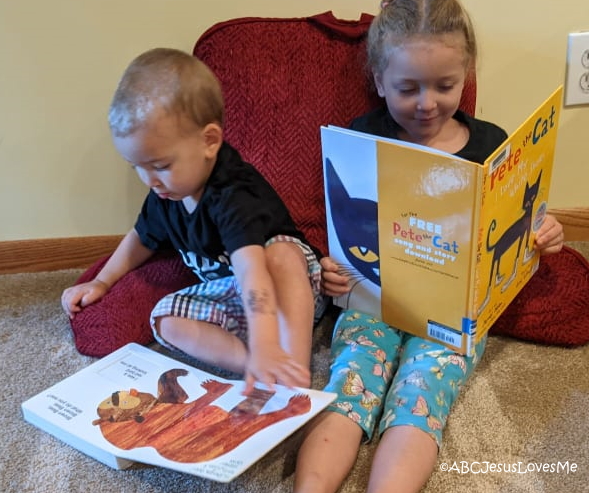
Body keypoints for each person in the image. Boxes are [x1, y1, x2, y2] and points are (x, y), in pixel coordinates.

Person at [294, 1, 564, 492]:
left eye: (445, 86)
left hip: (450, 314)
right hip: (373, 298)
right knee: (351, 384)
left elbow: (523, 224)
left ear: (467, 75)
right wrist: (330, 269)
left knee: (422, 393)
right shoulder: (361, 137)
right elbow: (344, 230)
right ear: (379, 80)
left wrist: (545, 234)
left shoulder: (491, 145)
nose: (427, 104)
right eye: (407, 88)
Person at [61, 48, 324, 394]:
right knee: (165, 319)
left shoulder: (232, 193)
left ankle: (292, 366)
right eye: (136, 167)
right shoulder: (165, 193)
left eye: (161, 165)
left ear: (209, 141)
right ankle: (256, 366)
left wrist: (266, 340)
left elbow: (251, 271)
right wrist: (103, 281)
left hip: (288, 291)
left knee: (281, 256)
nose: (149, 180)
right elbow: (141, 237)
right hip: (233, 298)